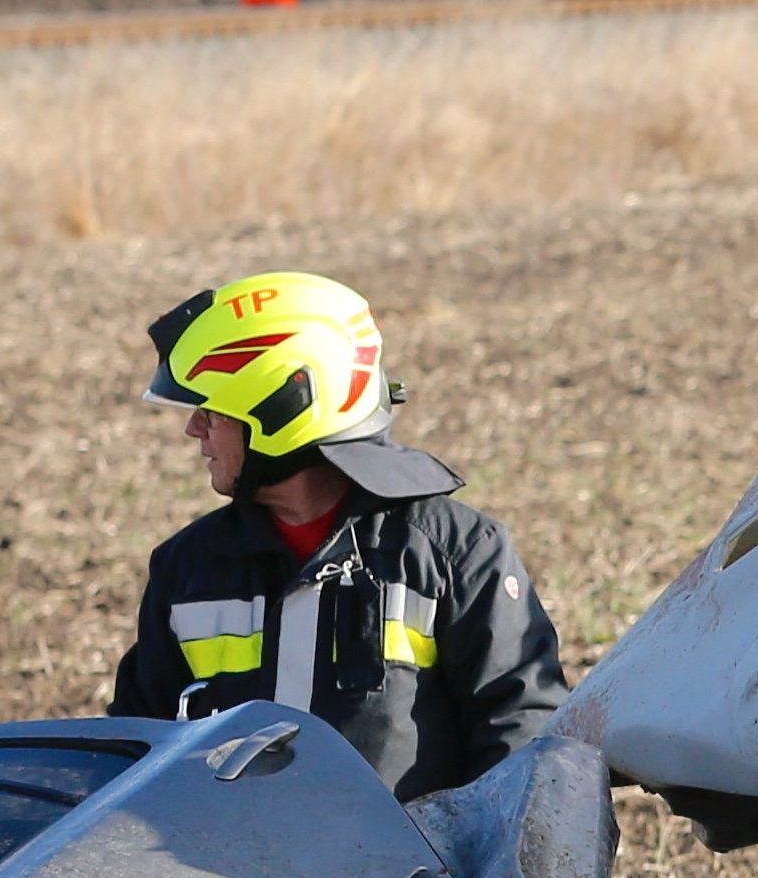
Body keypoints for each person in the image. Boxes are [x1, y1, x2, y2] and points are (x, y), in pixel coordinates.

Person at [110, 269, 563, 799]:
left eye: (212, 410)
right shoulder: (186, 569)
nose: (194, 430)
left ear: (282, 409)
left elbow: (524, 743)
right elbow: (132, 758)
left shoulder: (457, 555)